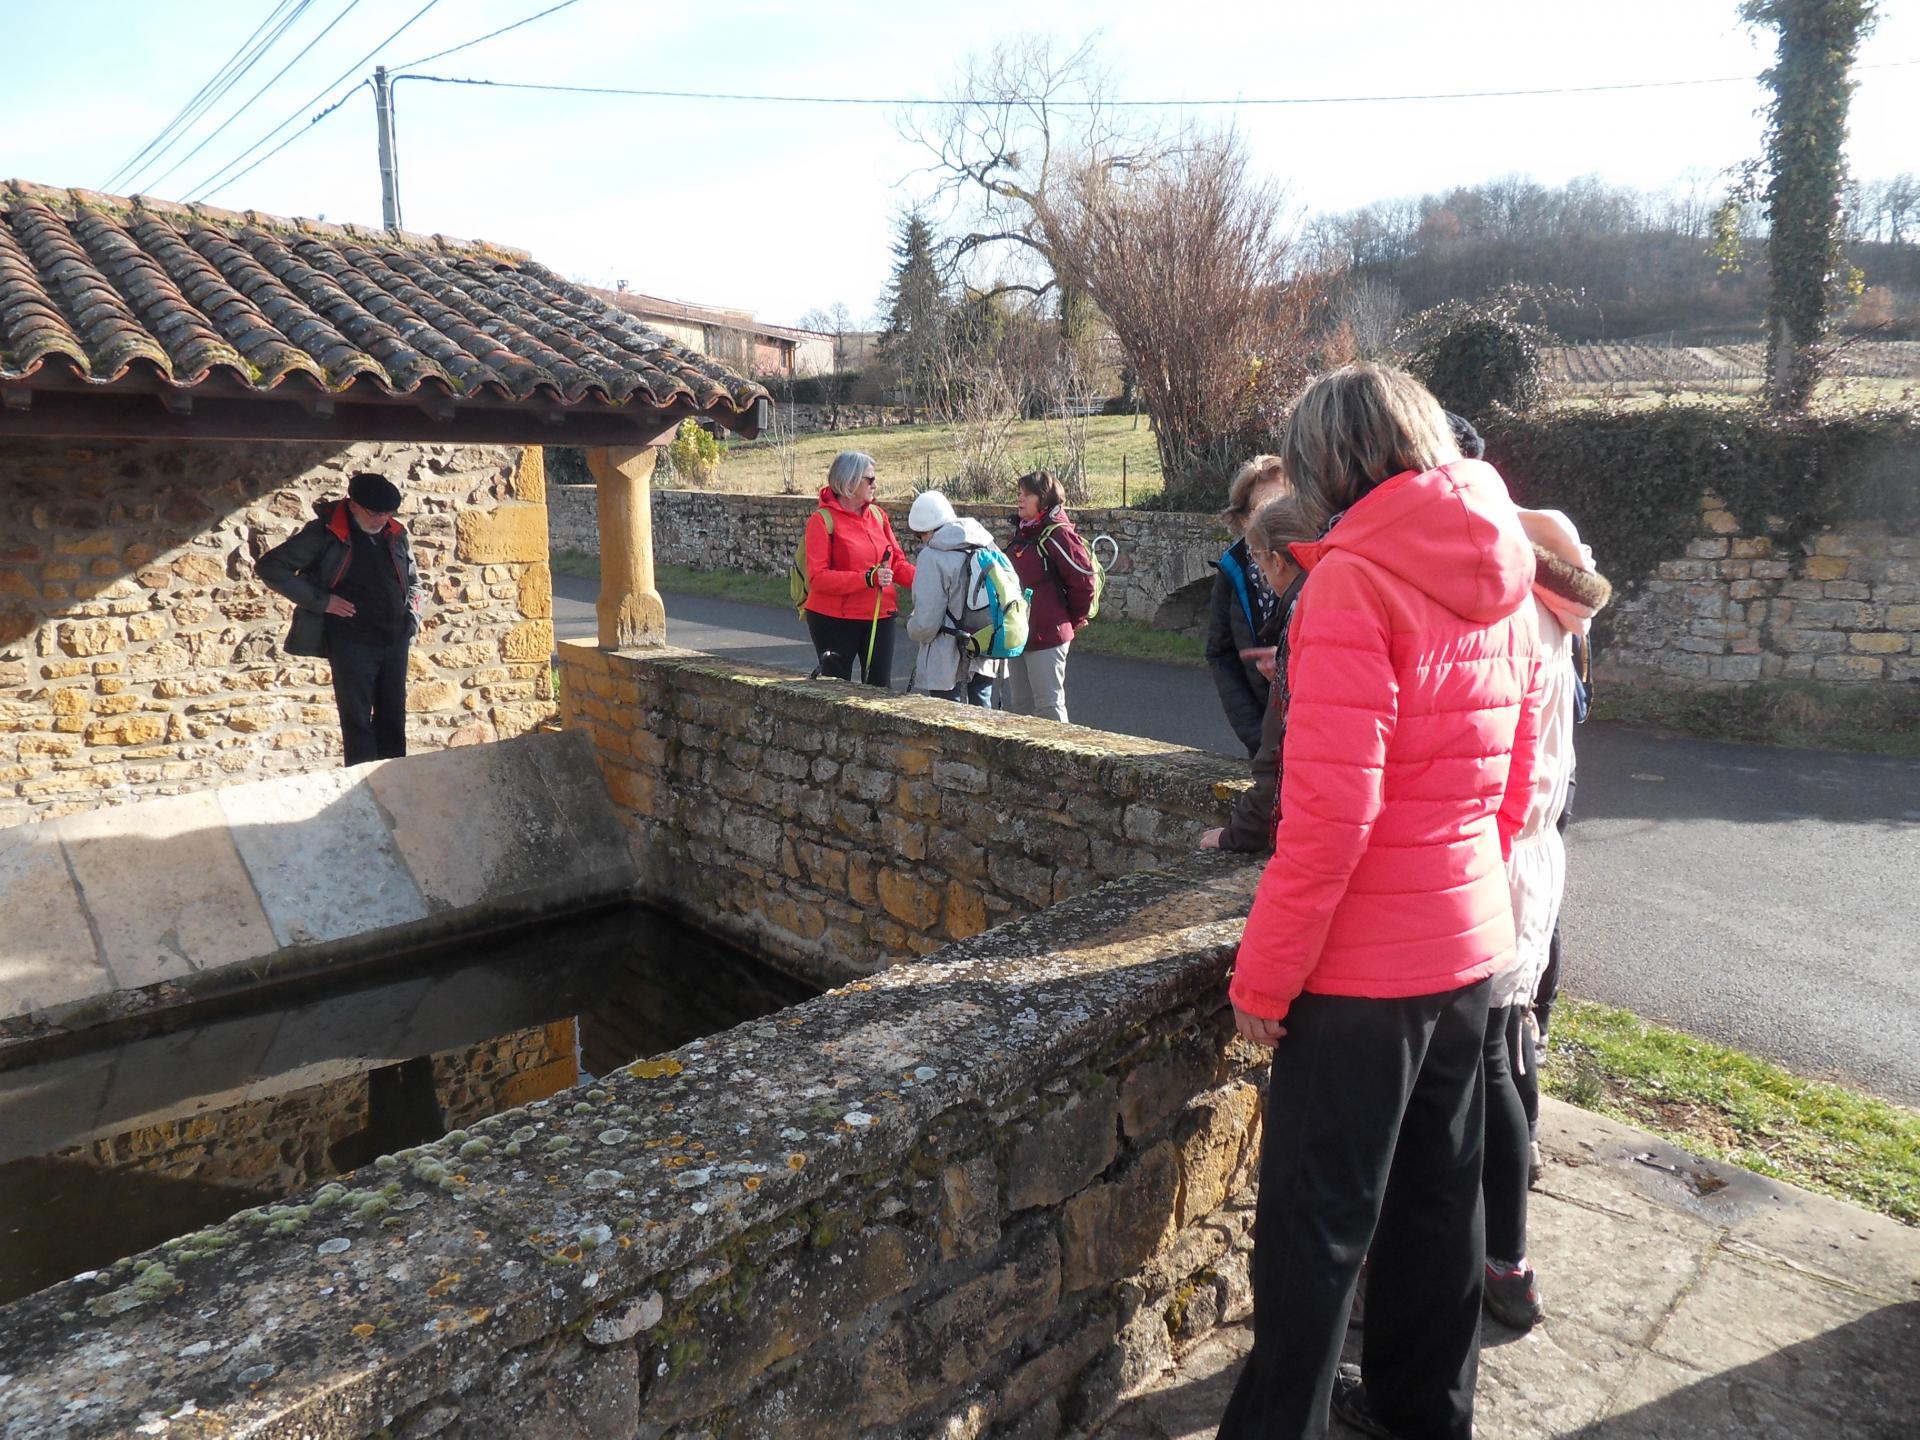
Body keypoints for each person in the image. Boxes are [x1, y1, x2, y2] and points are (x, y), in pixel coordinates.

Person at [1216, 364, 1544, 1440]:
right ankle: (1422, 1416)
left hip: (1365, 969)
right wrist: (1468, 898)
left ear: (1329, 460)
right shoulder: (1498, 561)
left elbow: (1331, 817)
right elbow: (1514, 778)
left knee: (1314, 1230)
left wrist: (1263, 978)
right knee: (1437, 1209)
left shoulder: (1354, 580)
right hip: (1465, 943)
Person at [1481, 507, 1612, 1333]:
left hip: (1500, 855)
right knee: (1505, 1041)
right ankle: (1506, 1258)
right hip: (1535, 852)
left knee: (1486, 1054)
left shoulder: (1508, 609)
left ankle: (1499, 1262)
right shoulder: (1560, 606)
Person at [256, 471, 423, 766]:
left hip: (395, 638)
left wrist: (412, 618)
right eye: (375, 513)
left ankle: (396, 781)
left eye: (388, 513)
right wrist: (323, 602)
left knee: (393, 718)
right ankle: (361, 788)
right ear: (353, 504)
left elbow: (413, 581)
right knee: (357, 722)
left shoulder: (396, 533)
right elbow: (271, 567)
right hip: (351, 641)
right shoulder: (323, 534)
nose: (381, 519)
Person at [1199, 495, 1314, 853]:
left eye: (1262, 568)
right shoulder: (1328, 599)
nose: (1262, 579)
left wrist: (1235, 835)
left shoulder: (1304, 613)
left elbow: (1280, 758)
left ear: (1278, 562)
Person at [800, 451, 915, 687]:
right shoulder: (821, 521)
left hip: (879, 617)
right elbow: (818, 578)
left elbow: (896, 564)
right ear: (850, 481)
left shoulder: (878, 515)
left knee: (880, 690)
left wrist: (932, 582)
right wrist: (867, 579)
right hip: (833, 620)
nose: (875, 485)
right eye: (870, 479)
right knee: (835, 690)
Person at [1207, 455, 1292, 757]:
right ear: (1243, 519)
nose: (1275, 518)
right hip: (1262, 741)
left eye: (1284, 504)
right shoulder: (1233, 569)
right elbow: (1221, 654)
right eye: (1263, 510)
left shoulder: (1319, 566)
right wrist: (1259, 738)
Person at [903, 489, 1009, 706]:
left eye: (919, 535)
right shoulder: (985, 542)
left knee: (948, 724)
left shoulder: (932, 556)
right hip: (985, 646)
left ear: (926, 529)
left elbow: (926, 624)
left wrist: (911, 625)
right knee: (983, 722)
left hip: (946, 660)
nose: (920, 542)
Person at [1004, 470, 1094, 722]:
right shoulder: (1024, 532)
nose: (1020, 500)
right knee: (1021, 708)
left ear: (1043, 500)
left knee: (1049, 709)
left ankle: (1062, 760)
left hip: (1048, 635)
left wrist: (1072, 619)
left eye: (1027, 495)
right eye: (1019, 494)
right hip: (1021, 635)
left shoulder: (1058, 534)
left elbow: (1084, 580)